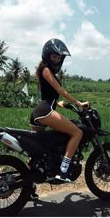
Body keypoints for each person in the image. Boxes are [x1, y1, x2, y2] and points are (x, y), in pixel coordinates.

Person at [30, 38, 89, 183]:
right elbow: (59, 89)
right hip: (45, 112)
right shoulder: (46, 69)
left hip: (38, 113)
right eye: (54, 56)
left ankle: (29, 185)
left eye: (58, 57)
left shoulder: (44, 70)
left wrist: (61, 104)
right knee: (77, 132)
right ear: (47, 55)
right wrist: (78, 103)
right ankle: (63, 171)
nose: (56, 60)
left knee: (38, 154)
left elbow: (49, 96)